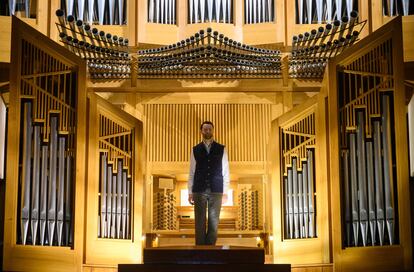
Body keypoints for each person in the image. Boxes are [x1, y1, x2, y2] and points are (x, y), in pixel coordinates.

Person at [188, 121, 230, 246]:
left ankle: (210, 249)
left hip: (216, 190)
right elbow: (191, 171)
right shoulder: (195, 149)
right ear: (201, 131)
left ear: (213, 130)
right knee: (199, 222)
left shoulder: (222, 148)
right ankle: (200, 249)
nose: (207, 131)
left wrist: (226, 192)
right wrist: (190, 191)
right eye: (205, 129)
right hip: (199, 190)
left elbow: (226, 170)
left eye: (209, 129)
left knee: (214, 221)